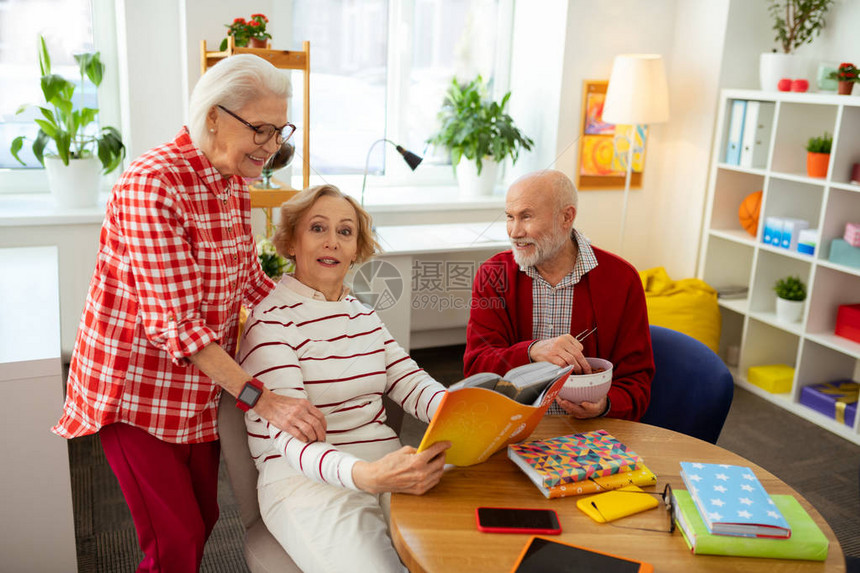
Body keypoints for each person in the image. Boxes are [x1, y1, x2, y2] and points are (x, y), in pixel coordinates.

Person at [52, 55, 327, 572]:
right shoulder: (153, 184)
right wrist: (265, 402)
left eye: (280, 129)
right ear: (214, 117)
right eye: (261, 130)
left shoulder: (230, 179)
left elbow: (250, 281)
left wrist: (321, 317)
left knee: (201, 520)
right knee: (173, 542)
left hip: (199, 389)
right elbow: (178, 329)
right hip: (136, 392)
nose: (273, 147)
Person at [239, 184, 451, 573]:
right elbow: (289, 439)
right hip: (304, 481)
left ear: (357, 249)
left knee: (458, 555)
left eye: (345, 232)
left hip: (388, 465)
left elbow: (411, 383)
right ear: (290, 242)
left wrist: (466, 413)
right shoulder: (270, 321)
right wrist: (365, 476)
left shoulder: (364, 315)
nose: (332, 242)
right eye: (317, 228)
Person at [464, 169, 654, 420]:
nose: (514, 231)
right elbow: (476, 366)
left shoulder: (623, 280)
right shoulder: (493, 275)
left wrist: (605, 405)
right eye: (510, 217)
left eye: (527, 217)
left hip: (590, 433)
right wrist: (532, 351)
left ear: (566, 217)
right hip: (510, 426)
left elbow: (637, 382)